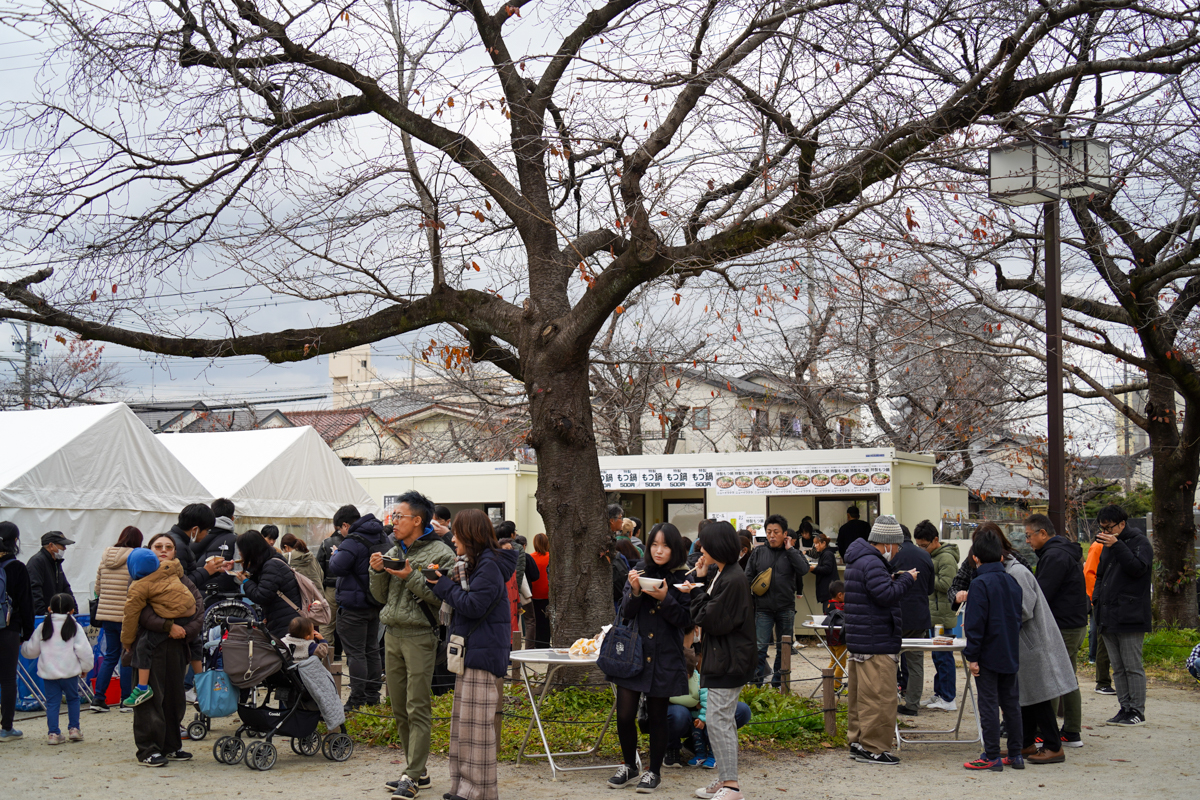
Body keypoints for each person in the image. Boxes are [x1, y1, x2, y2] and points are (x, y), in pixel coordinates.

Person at [370, 491, 455, 800]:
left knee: (417, 705)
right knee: (398, 706)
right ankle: (417, 769)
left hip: (420, 635)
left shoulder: (441, 553)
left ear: (417, 520)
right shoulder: (394, 549)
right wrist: (376, 571)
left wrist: (409, 575)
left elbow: (441, 599)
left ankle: (412, 775)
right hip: (392, 633)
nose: (393, 521)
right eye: (393, 516)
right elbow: (381, 597)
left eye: (399, 516)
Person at [428, 509, 517, 800]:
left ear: (470, 535)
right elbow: (468, 599)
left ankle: (477, 792)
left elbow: (473, 606)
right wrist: (441, 582)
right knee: (465, 727)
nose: (452, 539)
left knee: (477, 730)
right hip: (474, 651)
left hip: (482, 653)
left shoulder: (488, 565)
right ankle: (463, 788)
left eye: (456, 533)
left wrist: (443, 586)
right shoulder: (475, 563)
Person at [604, 523, 692, 793]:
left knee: (657, 716)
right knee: (624, 714)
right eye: (654, 544)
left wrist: (666, 598)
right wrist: (635, 591)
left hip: (665, 654)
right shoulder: (639, 571)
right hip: (635, 653)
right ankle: (629, 765)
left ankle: (653, 771)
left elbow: (686, 620)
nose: (658, 550)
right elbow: (625, 613)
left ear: (674, 548)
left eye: (665, 545)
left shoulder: (683, 577)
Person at [681, 520, 755, 800]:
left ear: (717, 547)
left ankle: (731, 786)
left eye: (705, 544)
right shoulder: (725, 573)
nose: (701, 549)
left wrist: (695, 590)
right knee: (719, 720)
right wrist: (700, 580)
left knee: (719, 720)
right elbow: (711, 610)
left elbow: (709, 617)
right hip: (726, 657)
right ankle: (726, 779)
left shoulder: (733, 579)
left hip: (730, 659)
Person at [842, 514, 915, 766]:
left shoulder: (858, 559)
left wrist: (893, 578)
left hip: (861, 639)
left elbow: (873, 591)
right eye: (897, 546)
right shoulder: (873, 562)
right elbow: (885, 595)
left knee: (860, 697)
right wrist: (907, 579)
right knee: (880, 698)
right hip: (877, 640)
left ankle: (858, 743)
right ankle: (873, 748)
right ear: (887, 543)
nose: (896, 552)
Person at [132, 532, 204, 767]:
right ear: (149, 550)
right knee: (150, 699)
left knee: (175, 699)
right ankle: (148, 750)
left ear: (175, 552)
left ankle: (171, 746)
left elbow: (198, 609)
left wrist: (184, 630)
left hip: (177, 648)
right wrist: (168, 626)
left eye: (169, 547)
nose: (164, 550)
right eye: (158, 546)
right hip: (150, 649)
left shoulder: (183, 578)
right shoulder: (140, 576)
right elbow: (142, 613)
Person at [961, 528, 1025, 772]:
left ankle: (991, 755)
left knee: (988, 703)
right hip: (1009, 650)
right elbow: (1018, 618)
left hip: (987, 653)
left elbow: (975, 624)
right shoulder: (1012, 581)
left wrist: (972, 657)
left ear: (975, 558)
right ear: (1001, 556)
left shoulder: (979, 584)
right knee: (1011, 704)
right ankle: (1015, 753)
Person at [1024, 513, 1088, 747]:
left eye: (1029, 536)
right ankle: (1071, 731)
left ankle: (1046, 731)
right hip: (1074, 623)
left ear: (1043, 533)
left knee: (1050, 676)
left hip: (1063, 625)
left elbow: (1041, 594)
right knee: (1067, 676)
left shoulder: (1054, 556)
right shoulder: (1064, 551)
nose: (1027, 541)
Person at [1091, 504, 1152, 727]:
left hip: (1131, 615)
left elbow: (1138, 569)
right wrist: (1096, 600)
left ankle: (1137, 711)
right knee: (1117, 667)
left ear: (1122, 524)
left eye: (1109, 528)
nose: (1105, 532)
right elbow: (1100, 575)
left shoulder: (1140, 542)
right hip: (1107, 613)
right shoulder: (1107, 546)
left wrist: (1117, 545)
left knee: (1132, 666)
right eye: (1102, 528)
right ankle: (1124, 707)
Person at [327, 504, 388, 712]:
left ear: (345, 525)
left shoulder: (352, 541)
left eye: (339, 530)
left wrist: (336, 554)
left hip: (353, 607)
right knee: (371, 650)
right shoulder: (381, 536)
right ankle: (373, 696)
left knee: (355, 654)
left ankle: (357, 699)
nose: (340, 534)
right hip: (374, 603)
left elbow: (337, 567)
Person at [120, 548, 197, 709]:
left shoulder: (138, 586)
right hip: (190, 609)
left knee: (143, 646)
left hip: (175, 616)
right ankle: (201, 684)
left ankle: (142, 688)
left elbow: (130, 616)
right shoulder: (168, 568)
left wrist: (127, 641)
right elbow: (178, 566)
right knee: (196, 647)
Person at [744, 514, 809, 688]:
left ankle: (778, 683)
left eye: (776, 532)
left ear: (785, 534)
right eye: (769, 532)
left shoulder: (792, 553)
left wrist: (790, 550)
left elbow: (803, 569)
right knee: (760, 647)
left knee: (784, 648)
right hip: (763, 608)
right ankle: (756, 685)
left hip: (786, 607)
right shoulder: (758, 552)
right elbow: (747, 577)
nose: (772, 535)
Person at [20, 593, 93, 745]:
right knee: (73, 699)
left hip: (49, 673)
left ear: (49, 609)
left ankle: (53, 734)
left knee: (52, 703)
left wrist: (23, 647)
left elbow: (31, 651)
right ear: (72, 610)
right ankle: (74, 729)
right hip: (70, 672)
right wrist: (85, 667)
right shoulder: (75, 627)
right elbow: (85, 651)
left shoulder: (43, 626)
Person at [92, 525, 142, 711]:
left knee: (111, 656)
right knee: (127, 655)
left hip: (106, 615)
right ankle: (126, 699)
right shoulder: (135, 557)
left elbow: (97, 589)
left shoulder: (106, 557)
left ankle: (98, 699)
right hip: (126, 616)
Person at [913, 520, 959, 712]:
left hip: (942, 617)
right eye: (919, 546)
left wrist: (925, 576)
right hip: (935, 615)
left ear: (935, 540)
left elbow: (948, 584)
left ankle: (948, 698)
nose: (922, 549)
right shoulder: (933, 556)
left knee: (943, 656)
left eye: (924, 546)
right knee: (937, 656)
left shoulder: (946, 557)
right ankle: (940, 693)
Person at [892, 525, 934, 716]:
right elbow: (930, 589)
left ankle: (889, 700)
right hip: (919, 616)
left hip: (896, 616)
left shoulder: (893, 556)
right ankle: (912, 705)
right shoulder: (925, 555)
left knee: (889, 660)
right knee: (916, 663)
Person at [0, 522, 35, 742]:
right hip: (8, 629)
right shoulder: (17, 567)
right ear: (15, 541)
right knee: (7, 679)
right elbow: (26, 604)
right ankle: (7, 728)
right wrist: (27, 634)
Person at [235, 530, 303, 639]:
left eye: (241, 550)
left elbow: (261, 595)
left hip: (286, 621)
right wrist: (248, 569)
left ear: (250, 550)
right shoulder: (269, 560)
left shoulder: (272, 565)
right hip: (282, 616)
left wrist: (245, 581)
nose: (239, 553)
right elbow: (264, 584)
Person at [164, 503, 225, 590]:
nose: (207, 534)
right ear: (195, 530)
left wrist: (213, 568)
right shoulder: (179, 546)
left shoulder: (172, 538)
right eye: (207, 530)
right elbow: (180, 585)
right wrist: (206, 571)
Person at [1083, 537, 1112, 693]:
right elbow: (1089, 574)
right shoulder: (1098, 546)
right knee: (1102, 639)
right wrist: (1096, 598)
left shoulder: (1121, 544)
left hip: (1115, 600)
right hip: (1101, 600)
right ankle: (1102, 681)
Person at [192, 498, 238, 595]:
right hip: (224, 597)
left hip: (194, 593)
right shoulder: (236, 540)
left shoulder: (195, 535)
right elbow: (238, 575)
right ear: (232, 518)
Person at [27, 531, 76, 615]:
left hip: (55, 615)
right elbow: (34, 590)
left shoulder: (56, 563)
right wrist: (42, 614)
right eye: (62, 545)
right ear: (51, 546)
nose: (65, 548)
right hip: (43, 616)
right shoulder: (37, 562)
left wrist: (74, 610)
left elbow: (66, 588)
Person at [317, 522, 346, 660]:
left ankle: (327, 657)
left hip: (330, 589)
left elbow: (319, 568)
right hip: (349, 588)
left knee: (327, 623)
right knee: (348, 624)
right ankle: (349, 657)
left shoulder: (326, 543)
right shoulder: (354, 542)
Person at [529, 533, 551, 648]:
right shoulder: (551, 557)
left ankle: (537, 644)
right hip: (548, 594)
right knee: (546, 623)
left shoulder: (530, 557)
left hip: (533, 594)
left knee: (535, 622)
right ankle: (545, 644)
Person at [824, 581, 847, 689]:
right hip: (840, 640)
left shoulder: (828, 605)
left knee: (833, 662)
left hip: (830, 640)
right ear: (840, 595)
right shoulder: (841, 606)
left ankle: (827, 684)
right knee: (841, 664)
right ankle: (837, 686)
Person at [811, 533, 838, 612]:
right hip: (828, 591)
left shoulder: (827, 554)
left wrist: (813, 569)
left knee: (829, 613)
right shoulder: (825, 554)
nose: (815, 546)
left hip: (829, 591)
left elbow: (827, 569)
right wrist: (813, 569)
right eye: (814, 544)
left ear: (824, 543)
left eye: (817, 543)